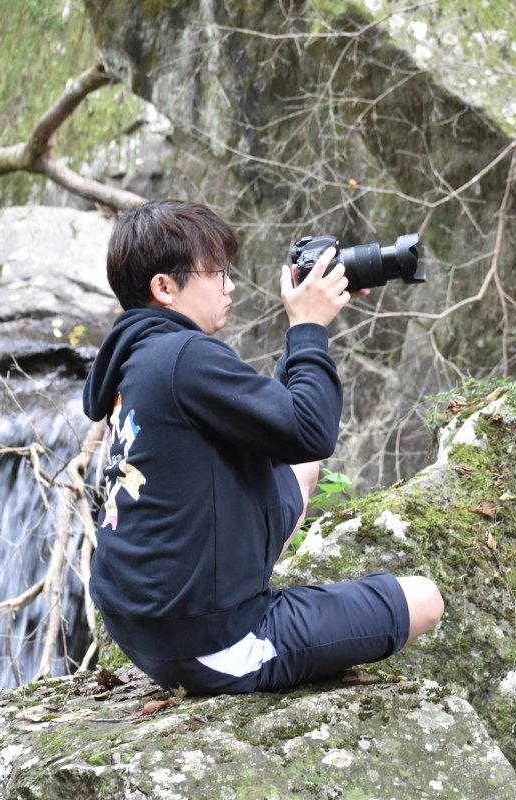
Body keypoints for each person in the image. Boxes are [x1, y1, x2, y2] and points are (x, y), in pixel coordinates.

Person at [82, 199, 444, 694]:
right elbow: (315, 429)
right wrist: (307, 328)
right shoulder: (185, 356)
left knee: (301, 468)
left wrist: (311, 324)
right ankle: (254, 623)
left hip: (143, 625)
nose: (229, 286)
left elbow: (284, 428)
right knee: (425, 599)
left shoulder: (142, 356)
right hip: (210, 640)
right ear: (164, 287)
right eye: (216, 275)